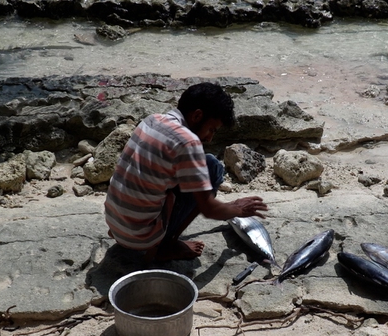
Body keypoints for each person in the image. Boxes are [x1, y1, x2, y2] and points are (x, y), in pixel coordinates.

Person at [105, 82, 268, 262]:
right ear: (197, 115)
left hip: (116, 226)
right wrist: (237, 209)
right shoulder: (188, 142)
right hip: (141, 239)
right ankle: (165, 246)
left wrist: (229, 206)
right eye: (211, 129)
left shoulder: (152, 120)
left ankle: (151, 237)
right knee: (213, 168)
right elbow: (209, 210)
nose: (210, 138)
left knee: (201, 166)